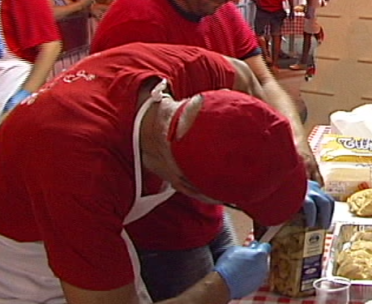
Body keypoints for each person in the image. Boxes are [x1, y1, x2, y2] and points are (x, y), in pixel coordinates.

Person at [90, 0, 325, 300]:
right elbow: (156, 151)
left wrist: (296, 145)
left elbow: (264, 80)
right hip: (161, 228)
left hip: (208, 210)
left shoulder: (219, 10)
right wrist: (264, 190)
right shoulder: (136, 22)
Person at [0, 42, 333, 304]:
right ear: (185, 188)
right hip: (26, 258)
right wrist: (221, 286)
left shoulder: (189, 72)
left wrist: (287, 168)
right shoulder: (81, 177)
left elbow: (243, 73)